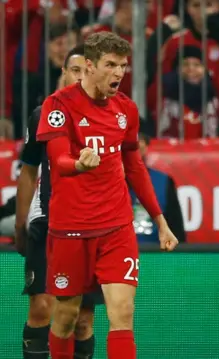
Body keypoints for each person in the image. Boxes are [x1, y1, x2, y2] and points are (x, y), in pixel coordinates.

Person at [35, 32, 179, 359]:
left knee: (122, 314)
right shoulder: (58, 106)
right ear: (89, 66)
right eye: (110, 65)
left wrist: (160, 221)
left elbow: (135, 167)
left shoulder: (126, 109)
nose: (118, 74)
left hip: (116, 227)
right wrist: (79, 164)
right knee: (67, 316)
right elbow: (58, 160)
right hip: (71, 228)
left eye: (123, 66)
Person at [14, 44, 104, 359]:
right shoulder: (42, 115)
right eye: (74, 71)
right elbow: (27, 173)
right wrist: (20, 222)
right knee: (42, 306)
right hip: (47, 222)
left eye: (86, 72)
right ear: (63, 73)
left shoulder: (108, 115)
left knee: (82, 320)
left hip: (92, 226)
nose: (79, 78)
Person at [133, 133, 185, 243]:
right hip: (119, 253)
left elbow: (176, 228)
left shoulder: (164, 181)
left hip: (156, 255)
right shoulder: (107, 183)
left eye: (140, 141)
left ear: (145, 147)